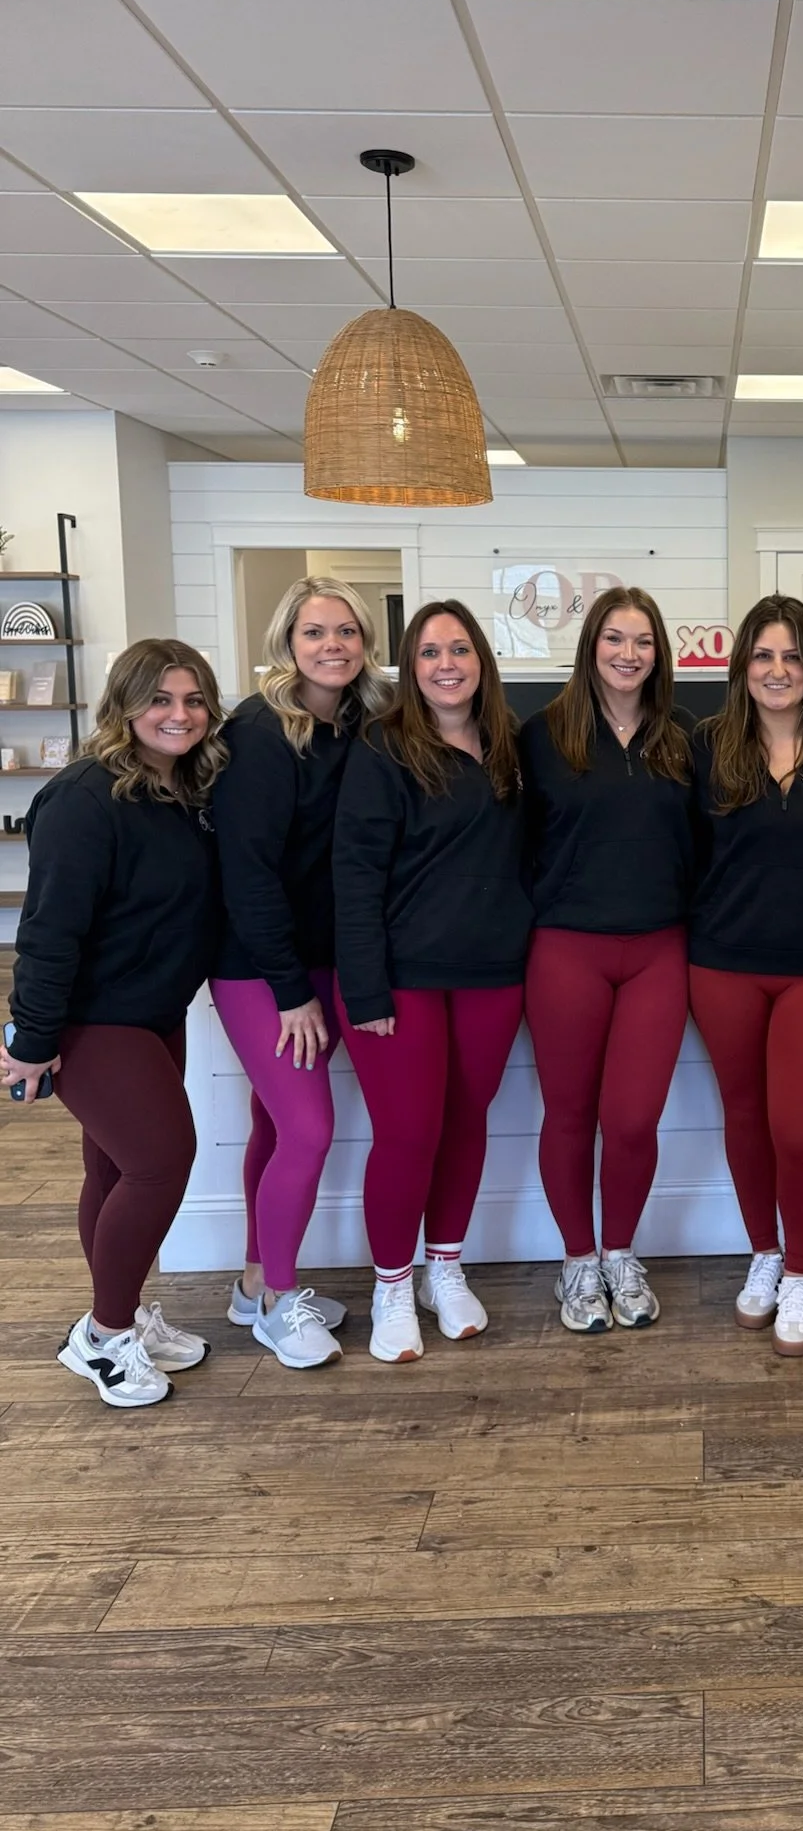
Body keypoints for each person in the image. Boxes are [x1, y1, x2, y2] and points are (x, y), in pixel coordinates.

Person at [1, 641, 225, 1408]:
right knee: (163, 1163)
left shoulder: (182, 792)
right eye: (160, 699)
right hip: (92, 1022)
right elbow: (48, 930)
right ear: (124, 705)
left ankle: (122, 1314)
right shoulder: (84, 798)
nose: (179, 715)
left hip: (155, 1013)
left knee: (114, 1170)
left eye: (193, 700)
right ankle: (101, 1336)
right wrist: (30, 1043)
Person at [333, 600, 531, 1364]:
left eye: (458, 649)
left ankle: (443, 1267)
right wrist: (367, 990)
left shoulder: (509, 745)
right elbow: (354, 879)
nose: (445, 664)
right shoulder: (384, 751)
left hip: (491, 974)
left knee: (465, 1122)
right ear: (409, 670)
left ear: (481, 660)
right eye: (428, 653)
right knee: (409, 1133)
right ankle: (391, 1284)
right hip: (402, 980)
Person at [211, 577, 392, 1368]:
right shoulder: (259, 731)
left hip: (331, 957)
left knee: (273, 1124)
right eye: (315, 633)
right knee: (311, 1131)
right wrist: (289, 992)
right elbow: (246, 873)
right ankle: (280, 1302)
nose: (333, 647)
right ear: (287, 643)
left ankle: (255, 1282)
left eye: (347, 632)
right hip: (259, 968)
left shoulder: (368, 725)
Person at [689, 594, 803, 1358]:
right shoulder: (706, 747)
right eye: (763, 655)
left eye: (792, 656)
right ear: (742, 667)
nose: (778, 669)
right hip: (722, 963)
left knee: (797, 1128)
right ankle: (763, 1253)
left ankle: (800, 1272)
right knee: (745, 1117)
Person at [520, 587, 695, 1335]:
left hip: (659, 949)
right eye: (614, 639)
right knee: (569, 1114)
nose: (629, 654)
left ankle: (621, 1252)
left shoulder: (686, 737)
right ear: (590, 646)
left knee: (631, 1121)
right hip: (565, 947)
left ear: (660, 653)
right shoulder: (541, 735)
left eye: (643, 642)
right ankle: (577, 1260)